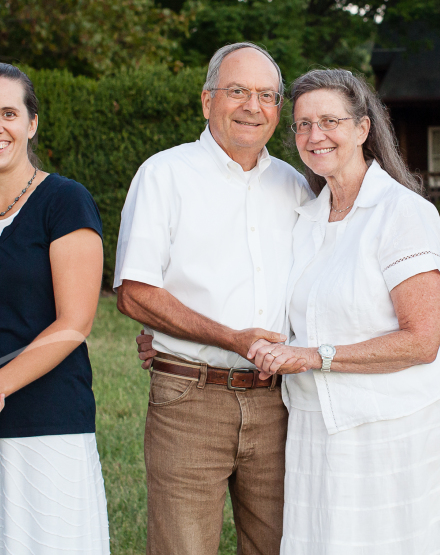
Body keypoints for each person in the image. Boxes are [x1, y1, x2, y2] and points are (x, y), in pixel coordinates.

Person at [247, 69, 440, 554]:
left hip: (399, 426)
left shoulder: (401, 212)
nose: (314, 136)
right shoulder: (309, 217)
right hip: (322, 426)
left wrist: (312, 356)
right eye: (302, 124)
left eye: (329, 121)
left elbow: (421, 341)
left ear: (362, 129)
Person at [114, 42, 311, 555]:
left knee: (280, 545)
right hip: (190, 401)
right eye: (238, 91)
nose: (252, 106)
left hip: (279, 405)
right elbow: (135, 294)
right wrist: (231, 338)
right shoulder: (164, 175)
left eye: (267, 95)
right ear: (207, 102)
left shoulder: (295, 186)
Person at [0, 63, 109, 554]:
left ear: (31, 123)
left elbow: (74, 324)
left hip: (48, 420)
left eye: (8, 113)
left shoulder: (65, 201)